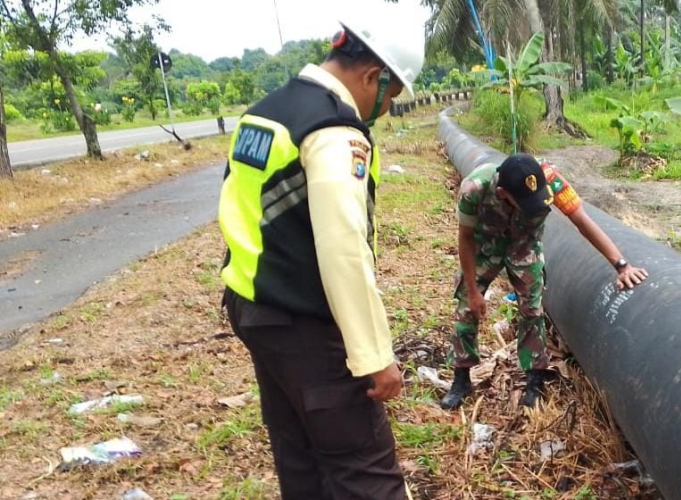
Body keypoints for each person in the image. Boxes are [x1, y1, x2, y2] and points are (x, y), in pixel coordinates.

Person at [217, 16, 424, 500]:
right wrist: (374, 356)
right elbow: (343, 249)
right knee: (365, 468)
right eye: (390, 96)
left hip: (253, 309)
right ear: (374, 75)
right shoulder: (334, 129)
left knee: (302, 461)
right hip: (305, 326)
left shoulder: (266, 113)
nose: (384, 107)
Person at [441, 154, 649, 410]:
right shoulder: (474, 188)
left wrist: (621, 265)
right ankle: (461, 378)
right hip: (486, 245)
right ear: (503, 193)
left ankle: (535, 378)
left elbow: (582, 221)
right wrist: (473, 292)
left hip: (524, 244)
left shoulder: (550, 179)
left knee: (532, 309)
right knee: (465, 308)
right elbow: (466, 239)